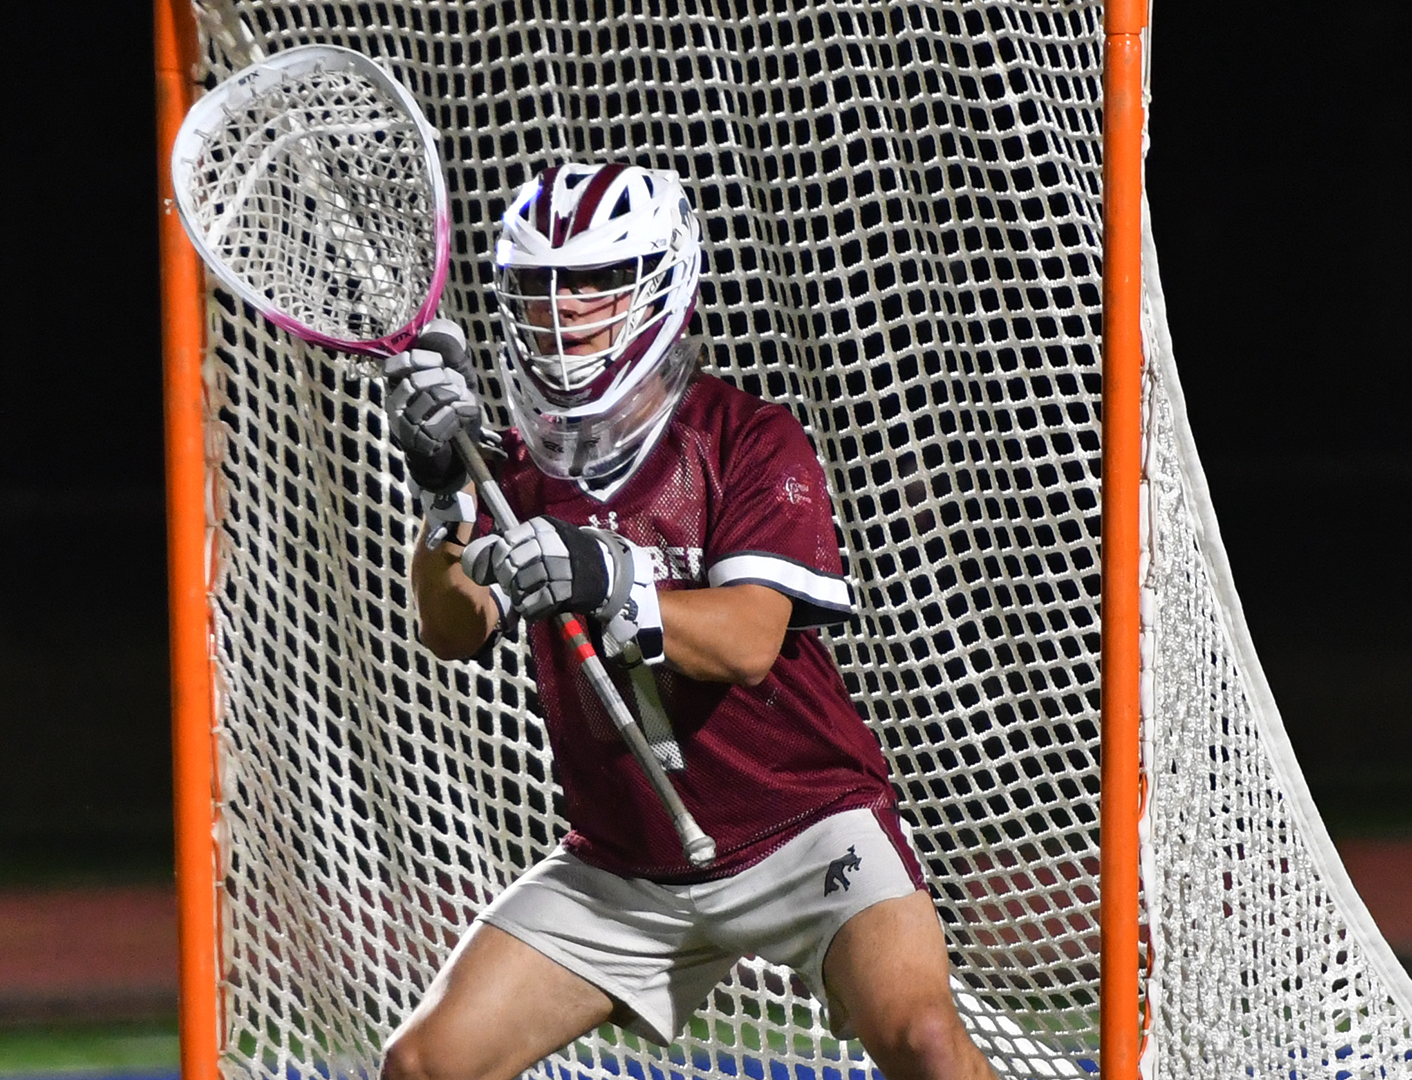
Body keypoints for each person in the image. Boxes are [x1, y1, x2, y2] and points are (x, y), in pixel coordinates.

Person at [379, 161, 1000, 1080]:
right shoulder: (511, 469)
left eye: (595, 282)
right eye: (542, 288)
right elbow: (453, 626)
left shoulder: (746, 436)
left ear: (662, 284)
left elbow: (750, 640)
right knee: (427, 1064)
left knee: (927, 1044)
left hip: (803, 825)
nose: (565, 311)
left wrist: (607, 576)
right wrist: (440, 497)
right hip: (627, 862)